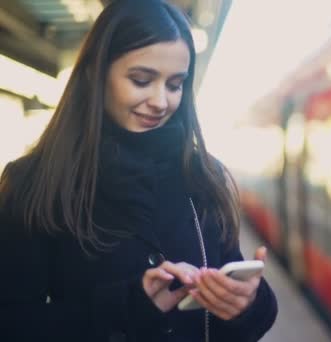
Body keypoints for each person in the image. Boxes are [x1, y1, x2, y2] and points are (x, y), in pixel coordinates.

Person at [0, 0, 277, 341]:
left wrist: (247, 303)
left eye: (174, 85)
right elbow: (12, 322)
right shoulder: (33, 183)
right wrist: (127, 308)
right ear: (95, 74)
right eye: (142, 80)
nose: (161, 102)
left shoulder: (204, 176)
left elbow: (232, 323)